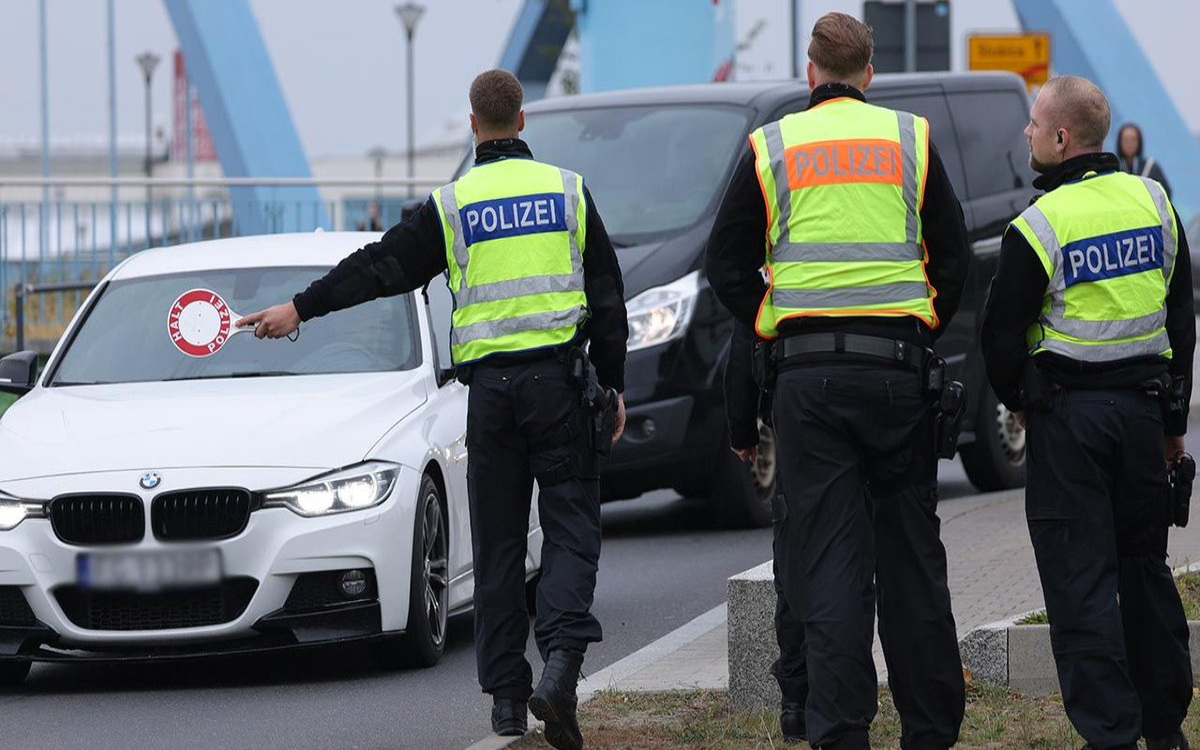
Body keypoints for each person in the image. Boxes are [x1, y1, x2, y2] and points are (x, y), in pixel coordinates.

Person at [237, 69, 629, 750]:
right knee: (570, 532)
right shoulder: (567, 191)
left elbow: (379, 266)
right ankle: (561, 668)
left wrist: (298, 307)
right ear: (522, 121)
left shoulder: (452, 206)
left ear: (475, 126)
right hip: (560, 388)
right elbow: (609, 300)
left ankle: (508, 702)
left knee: (501, 545)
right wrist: (614, 386)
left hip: (491, 401)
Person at [706, 12, 970, 749]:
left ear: (811, 71)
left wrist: (774, 322)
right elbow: (951, 260)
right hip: (897, 375)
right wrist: (917, 330)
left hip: (809, 383)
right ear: (870, 74)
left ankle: (840, 731)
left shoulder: (772, 147)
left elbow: (725, 265)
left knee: (829, 567)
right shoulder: (909, 140)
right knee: (913, 558)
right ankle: (929, 730)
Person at [980, 75, 1195, 750]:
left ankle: (1110, 735)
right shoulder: (1153, 200)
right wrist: (1173, 420)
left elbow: (998, 336)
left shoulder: (1040, 224)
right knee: (1145, 569)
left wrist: (1024, 400)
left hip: (1071, 424)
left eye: (1036, 124)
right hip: (1140, 419)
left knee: (1080, 586)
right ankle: (1165, 729)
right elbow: (1182, 313)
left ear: (1063, 139)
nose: (1028, 133)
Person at [722, 322, 808, 744]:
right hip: (884, 390)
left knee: (796, 558)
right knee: (855, 556)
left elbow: (748, 319)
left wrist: (742, 423)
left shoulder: (781, 252)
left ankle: (796, 702)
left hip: (801, 399)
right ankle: (846, 699)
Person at [1117, 122, 1173, 200]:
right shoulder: (1114, 168)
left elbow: (1166, 193)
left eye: (1133, 139)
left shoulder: (1151, 168)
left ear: (1139, 142)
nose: (1129, 143)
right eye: (1126, 139)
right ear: (1120, 142)